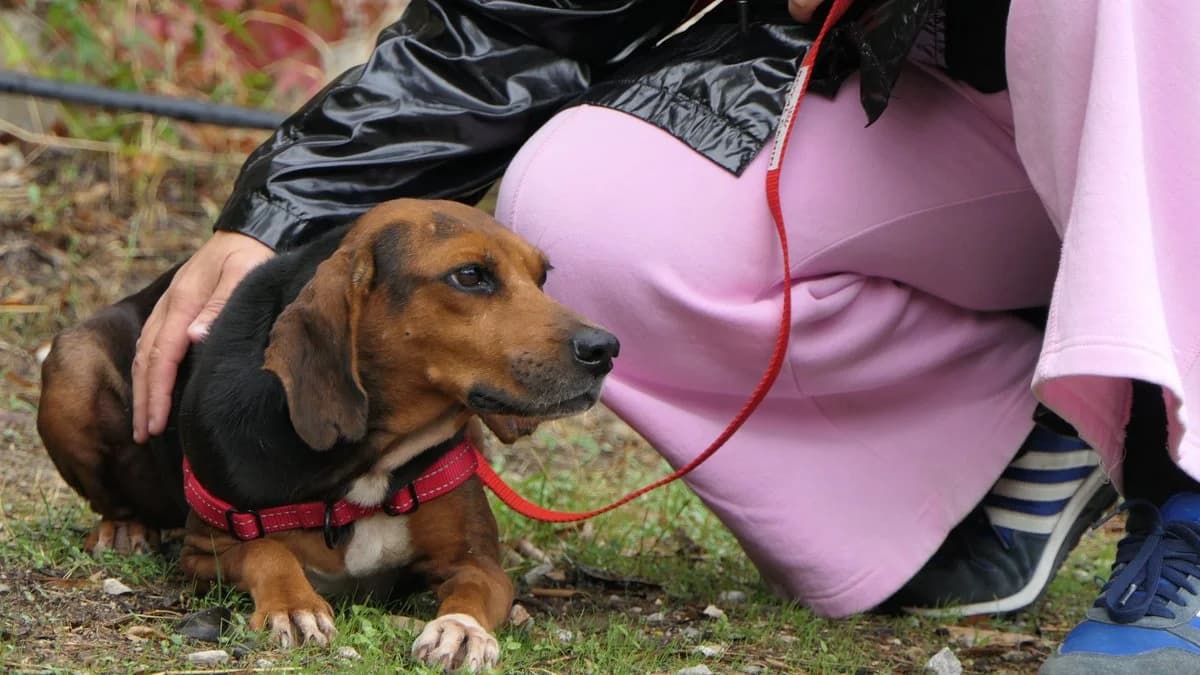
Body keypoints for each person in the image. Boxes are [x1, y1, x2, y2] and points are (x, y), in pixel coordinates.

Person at [129, 1, 1200, 672]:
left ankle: (1184, 489)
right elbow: (519, 18)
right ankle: (1041, 421)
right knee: (588, 206)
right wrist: (280, 213)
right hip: (929, 102)